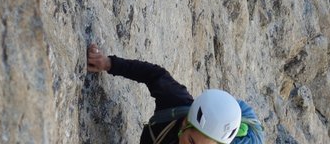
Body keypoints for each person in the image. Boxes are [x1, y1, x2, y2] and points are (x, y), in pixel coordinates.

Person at [87, 43, 263, 144]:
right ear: (186, 122)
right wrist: (109, 63)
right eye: (191, 142)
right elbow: (154, 75)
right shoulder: (175, 102)